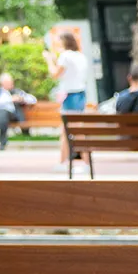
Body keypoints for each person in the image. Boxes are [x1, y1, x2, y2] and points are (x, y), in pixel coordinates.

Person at [45, 32, 89, 171]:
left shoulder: (66, 56)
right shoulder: (80, 56)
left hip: (71, 96)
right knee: (77, 129)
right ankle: (84, 162)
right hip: (80, 95)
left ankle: (63, 162)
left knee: (67, 130)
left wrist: (48, 60)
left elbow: (54, 74)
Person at [0, 73, 36, 150]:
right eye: (8, 82)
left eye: (11, 82)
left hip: (12, 115)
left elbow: (33, 99)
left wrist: (22, 98)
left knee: (4, 115)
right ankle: (0, 138)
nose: (11, 84)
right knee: (2, 114)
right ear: (2, 83)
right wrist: (11, 99)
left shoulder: (17, 92)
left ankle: (0, 137)